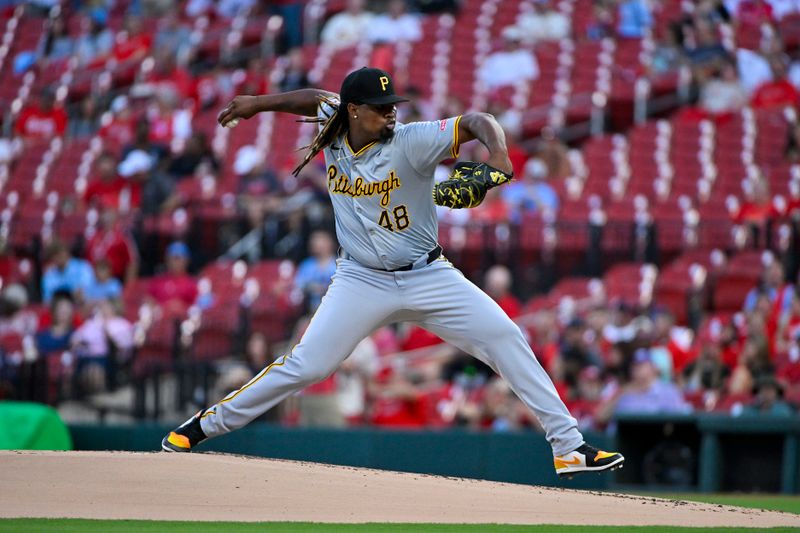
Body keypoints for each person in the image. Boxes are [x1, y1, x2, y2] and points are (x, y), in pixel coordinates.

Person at [161, 67, 623, 479]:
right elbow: (310, 98)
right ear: (354, 111)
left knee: (505, 336)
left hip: (428, 275)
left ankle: (569, 448)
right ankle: (203, 426)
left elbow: (479, 121)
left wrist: (498, 158)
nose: (390, 115)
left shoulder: (412, 139)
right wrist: (258, 104)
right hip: (360, 279)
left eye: (392, 107)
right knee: (308, 365)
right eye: (381, 109)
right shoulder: (334, 120)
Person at [293, 230, 338, 312]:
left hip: (335, 309)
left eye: (321, 242)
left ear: (330, 244)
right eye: (314, 242)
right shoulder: (307, 265)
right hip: (310, 309)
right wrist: (311, 287)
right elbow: (298, 285)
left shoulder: (338, 264)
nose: (317, 245)